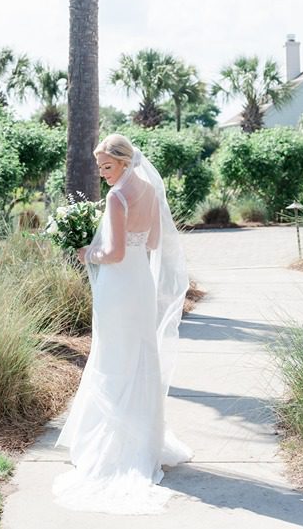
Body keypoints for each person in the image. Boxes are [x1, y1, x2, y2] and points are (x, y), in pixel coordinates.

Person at [52, 133, 191, 515]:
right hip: (140, 284)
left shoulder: (117, 197)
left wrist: (87, 251)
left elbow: (111, 253)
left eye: (107, 166)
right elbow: (153, 242)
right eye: (99, 168)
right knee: (138, 358)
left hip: (117, 287)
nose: (103, 174)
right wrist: (122, 244)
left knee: (113, 359)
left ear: (125, 162)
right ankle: (143, 443)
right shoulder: (149, 190)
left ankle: (114, 449)